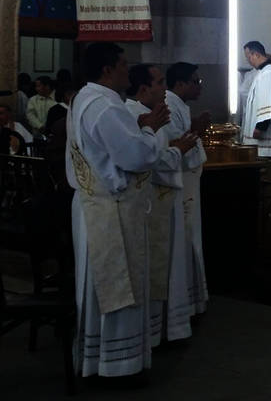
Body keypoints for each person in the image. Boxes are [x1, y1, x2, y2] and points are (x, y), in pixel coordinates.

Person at [66, 42, 166, 378]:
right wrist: (149, 129)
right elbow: (135, 156)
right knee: (119, 286)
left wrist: (139, 127)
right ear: (108, 69)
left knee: (102, 287)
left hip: (95, 205)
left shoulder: (85, 97)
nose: (128, 70)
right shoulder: (105, 106)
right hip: (111, 209)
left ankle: (100, 360)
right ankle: (118, 365)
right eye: (123, 64)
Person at [125, 64, 198, 346]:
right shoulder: (133, 114)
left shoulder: (150, 112)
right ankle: (156, 331)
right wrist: (178, 149)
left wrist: (177, 145)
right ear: (144, 89)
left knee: (167, 263)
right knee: (157, 264)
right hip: (152, 199)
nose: (164, 88)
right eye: (159, 82)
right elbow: (148, 158)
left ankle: (165, 326)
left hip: (165, 197)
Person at [165, 62, 211, 318]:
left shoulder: (179, 104)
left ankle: (193, 300)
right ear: (180, 83)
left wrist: (195, 128)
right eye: (196, 81)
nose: (200, 86)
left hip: (190, 178)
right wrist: (197, 130)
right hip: (181, 180)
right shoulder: (170, 105)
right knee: (186, 237)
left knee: (192, 235)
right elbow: (175, 145)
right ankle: (183, 304)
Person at [241, 41, 271, 158]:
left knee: (266, 165)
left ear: (256, 54)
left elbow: (268, 101)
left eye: (248, 57)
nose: (248, 61)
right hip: (264, 138)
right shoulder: (263, 71)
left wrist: (260, 127)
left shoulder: (269, 72)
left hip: (266, 138)